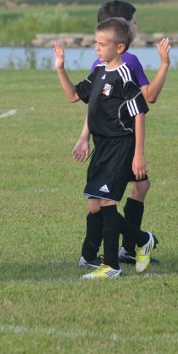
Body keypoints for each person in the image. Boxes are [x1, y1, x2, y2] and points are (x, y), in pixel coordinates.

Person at [54, 17, 157, 279]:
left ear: (119, 47)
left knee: (107, 202)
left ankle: (111, 266)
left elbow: (139, 114)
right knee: (95, 206)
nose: (96, 48)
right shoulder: (99, 71)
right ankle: (143, 239)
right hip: (101, 147)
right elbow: (73, 96)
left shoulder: (125, 76)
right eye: (95, 43)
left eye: (102, 44)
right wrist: (60, 68)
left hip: (121, 145)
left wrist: (138, 155)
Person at [73, 0, 170, 269]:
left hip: (110, 139)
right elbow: (150, 96)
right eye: (134, 23)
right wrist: (164, 65)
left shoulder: (100, 61)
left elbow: (96, 106)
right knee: (109, 199)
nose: (136, 28)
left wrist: (84, 136)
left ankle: (93, 252)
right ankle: (131, 245)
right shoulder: (129, 61)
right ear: (122, 26)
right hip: (122, 140)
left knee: (108, 197)